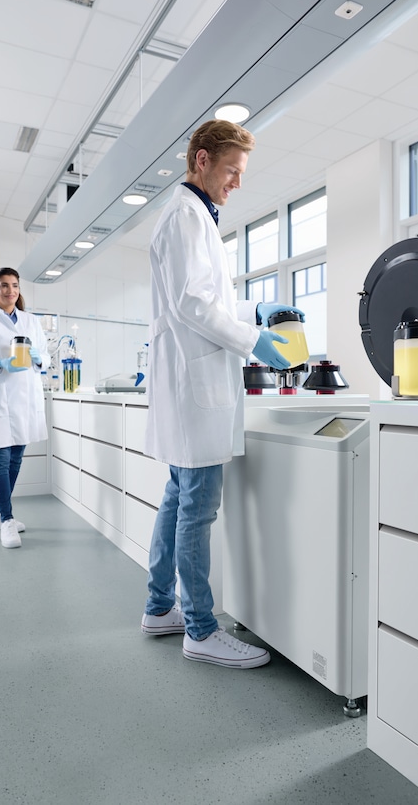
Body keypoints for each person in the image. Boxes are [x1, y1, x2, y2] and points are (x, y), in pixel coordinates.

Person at [140, 119, 303, 668]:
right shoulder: (185, 216)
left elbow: (200, 302)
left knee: (176, 497)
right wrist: (255, 337)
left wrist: (249, 319)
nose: (237, 183)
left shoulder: (194, 216)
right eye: (232, 171)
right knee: (197, 509)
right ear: (202, 160)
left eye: (241, 174)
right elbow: (193, 304)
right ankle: (202, 630)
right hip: (194, 386)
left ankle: (160, 606)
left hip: (191, 382)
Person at [0, 267, 50, 549]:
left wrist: (40, 359)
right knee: (1, 460)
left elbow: (46, 357)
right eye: (3, 285)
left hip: (26, 399)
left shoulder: (31, 321)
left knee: (16, 460)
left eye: (14, 285)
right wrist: (0, 364)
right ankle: (7, 519)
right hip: (0, 398)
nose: (10, 290)